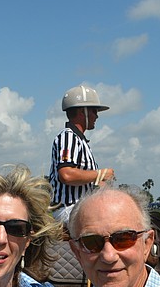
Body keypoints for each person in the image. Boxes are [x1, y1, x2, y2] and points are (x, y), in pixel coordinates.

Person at [49, 85, 116, 224]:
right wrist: (100, 174)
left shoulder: (80, 140)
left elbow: (86, 180)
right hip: (68, 208)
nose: (96, 116)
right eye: (94, 111)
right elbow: (66, 174)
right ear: (82, 112)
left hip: (78, 207)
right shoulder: (68, 137)